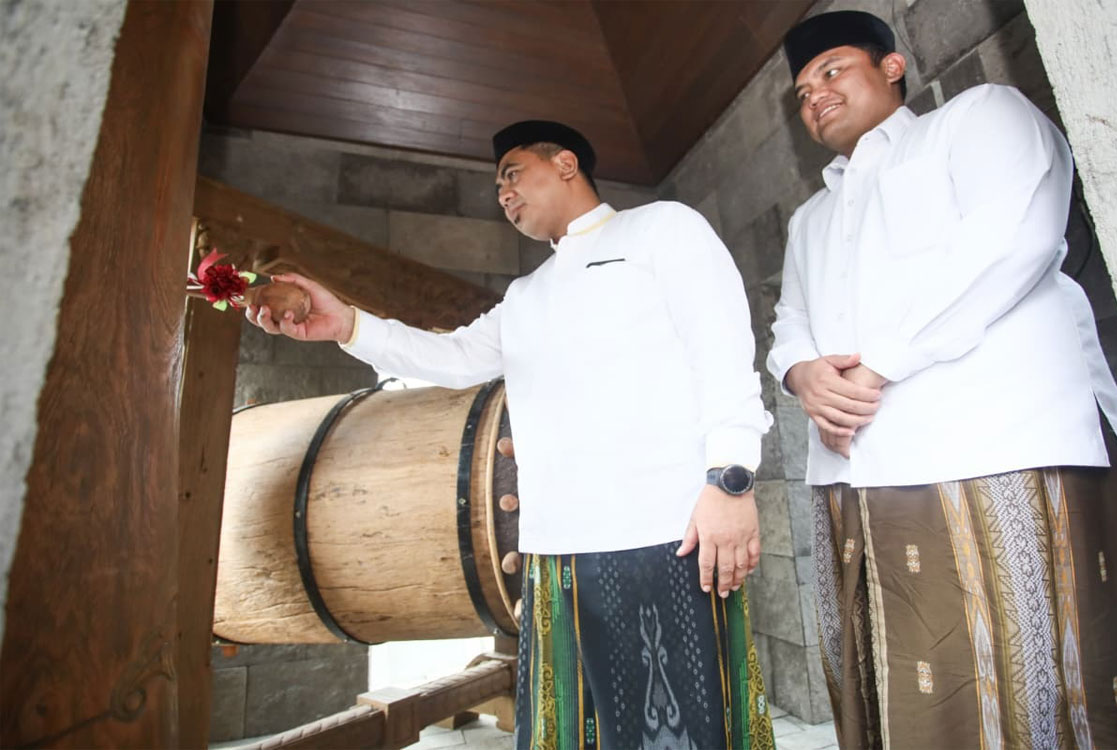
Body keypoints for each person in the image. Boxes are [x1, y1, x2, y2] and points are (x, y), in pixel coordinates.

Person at [247, 120, 776, 750]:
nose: (502, 194)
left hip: (667, 535)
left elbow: (722, 353)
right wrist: (347, 325)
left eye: (512, 174)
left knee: (689, 730)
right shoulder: (527, 294)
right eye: (497, 185)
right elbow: (451, 358)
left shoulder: (663, 228)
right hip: (556, 552)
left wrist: (730, 480)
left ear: (566, 164)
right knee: (572, 732)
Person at [767, 10, 1117, 750]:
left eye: (831, 71)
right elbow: (791, 321)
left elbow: (1015, 235)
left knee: (1044, 680)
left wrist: (878, 363)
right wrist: (801, 373)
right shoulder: (810, 217)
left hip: (1002, 443)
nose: (816, 98)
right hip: (859, 472)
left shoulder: (975, 119)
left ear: (892, 66)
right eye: (803, 93)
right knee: (909, 694)